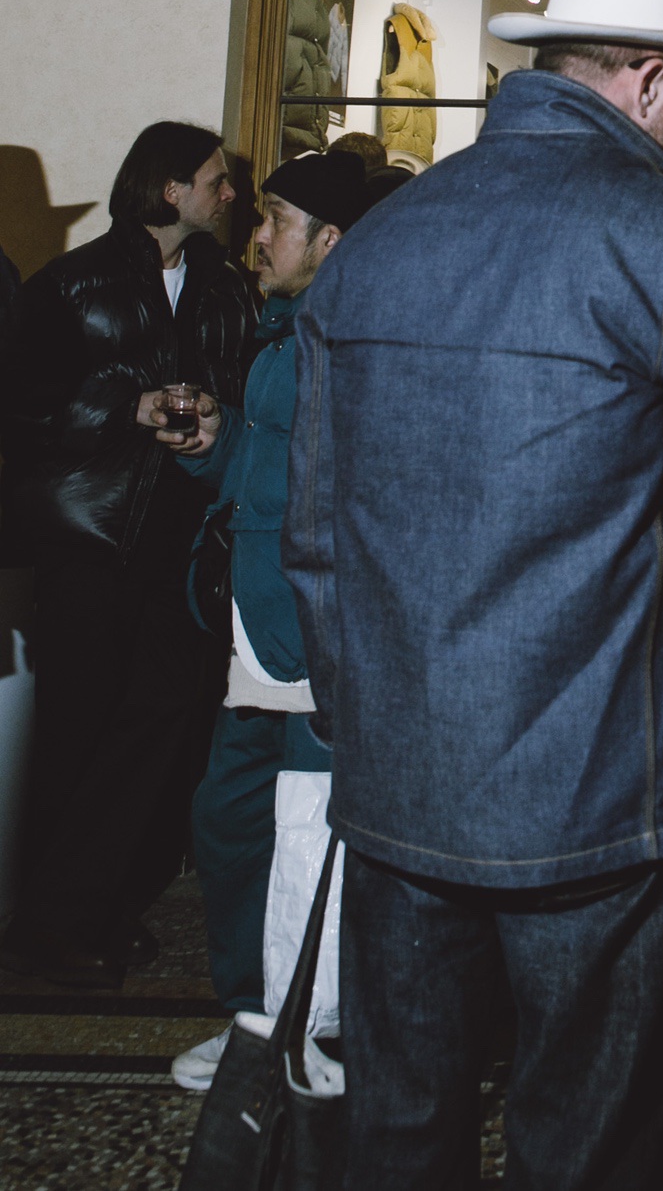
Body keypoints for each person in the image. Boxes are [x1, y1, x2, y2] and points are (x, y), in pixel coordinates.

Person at [285, 0, 663, 1190]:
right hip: (596, 783)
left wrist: (363, 722)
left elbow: (315, 528)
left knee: (400, 1117)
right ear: (648, 80)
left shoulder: (381, 235)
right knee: (583, 1127)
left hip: (400, 771)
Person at [0, 123, 256, 986]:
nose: (232, 194)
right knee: (77, 735)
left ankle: (91, 904)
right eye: (216, 180)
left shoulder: (226, 288)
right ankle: (47, 926)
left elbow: (241, 388)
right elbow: (20, 407)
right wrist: (128, 405)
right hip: (92, 547)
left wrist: (215, 415)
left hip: (184, 547)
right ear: (170, 189)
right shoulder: (71, 283)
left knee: (154, 732)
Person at [147, 148, 369, 1092]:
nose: (257, 235)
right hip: (258, 632)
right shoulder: (283, 329)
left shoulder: (357, 338)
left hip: (315, 635)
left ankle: (306, 1027)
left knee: (309, 841)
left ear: (332, 239)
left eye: (277, 219)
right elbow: (270, 468)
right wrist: (214, 439)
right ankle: (257, 1011)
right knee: (232, 819)